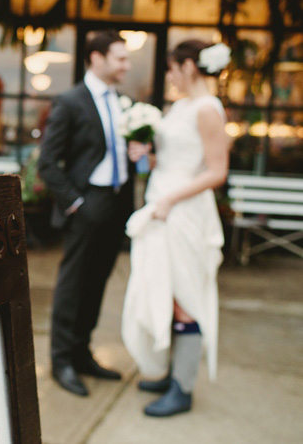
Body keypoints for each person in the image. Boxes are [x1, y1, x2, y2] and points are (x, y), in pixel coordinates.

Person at [121, 39, 231, 417]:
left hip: (183, 212)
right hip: (161, 204)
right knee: (165, 289)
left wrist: (170, 199)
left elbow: (217, 171)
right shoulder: (180, 106)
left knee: (185, 295)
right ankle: (170, 375)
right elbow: (170, 160)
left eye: (172, 68)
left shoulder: (207, 109)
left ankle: (182, 388)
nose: (169, 76)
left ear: (189, 67)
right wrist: (145, 157)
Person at [38, 30, 135, 397]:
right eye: (120, 58)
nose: (126, 65)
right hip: (86, 202)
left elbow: (114, 153)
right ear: (96, 58)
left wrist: (136, 157)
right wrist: (75, 203)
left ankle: (82, 353)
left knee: (98, 281)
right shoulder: (71, 101)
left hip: (118, 204)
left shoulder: (123, 102)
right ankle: (61, 360)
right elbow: (48, 162)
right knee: (73, 282)